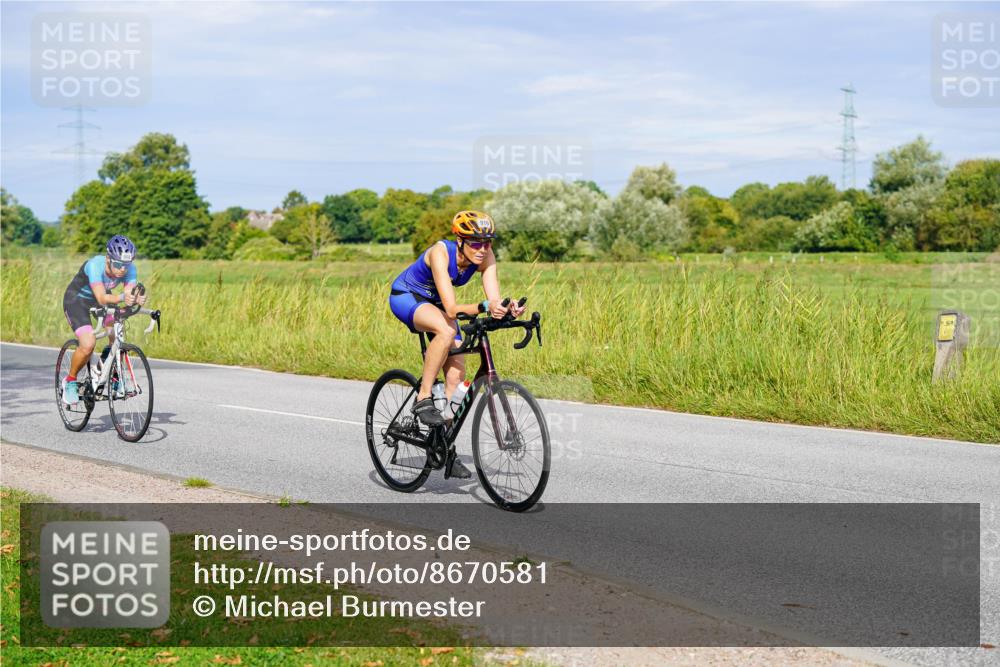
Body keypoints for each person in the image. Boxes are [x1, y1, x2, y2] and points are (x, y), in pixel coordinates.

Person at [389, 210, 525, 465]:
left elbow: (493, 299)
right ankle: (424, 397)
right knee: (446, 329)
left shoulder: (485, 256)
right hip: (407, 296)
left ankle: (441, 444)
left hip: (437, 305)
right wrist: (485, 306)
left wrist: (507, 308)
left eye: (487, 242)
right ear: (460, 240)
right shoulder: (441, 252)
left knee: (456, 377)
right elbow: (452, 310)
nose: (482, 249)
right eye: (475, 242)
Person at [61, 235, 146, 405]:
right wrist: (123, 296)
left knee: (116, 335)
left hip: (103, 302)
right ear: (108, 258)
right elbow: (101, 297)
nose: (122, 269)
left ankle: (112, 374)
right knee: (88, 344)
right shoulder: (94, 265)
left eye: (126, 265)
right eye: (118, 264)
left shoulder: (129, 269)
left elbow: (130, 291)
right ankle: (69, 381)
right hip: (77, 301)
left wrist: (136, 298)